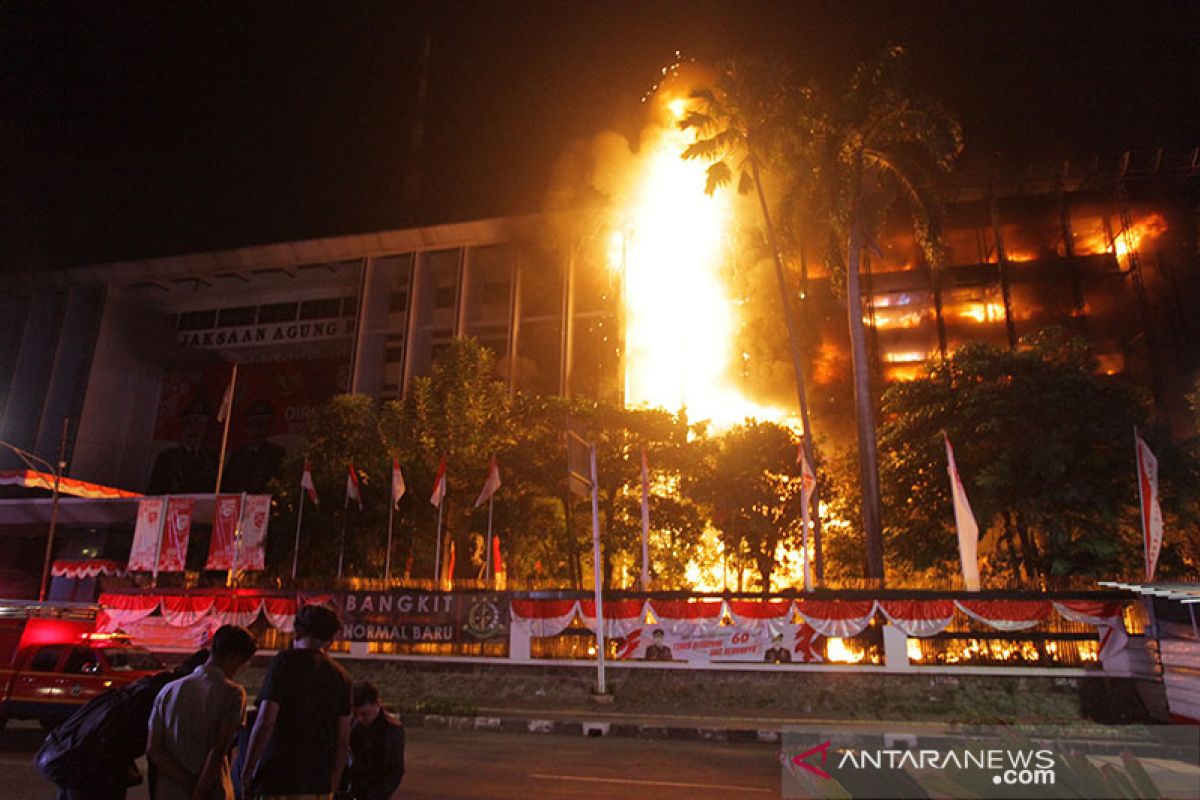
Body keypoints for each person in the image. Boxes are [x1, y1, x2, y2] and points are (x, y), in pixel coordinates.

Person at [40, 649, 210, 800]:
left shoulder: (147, 684)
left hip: (70, 760)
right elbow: (155, 750)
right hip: (90, 772)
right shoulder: (164, 695)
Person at [241, 604, 352, 800]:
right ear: (331, 640)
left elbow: (266, 721)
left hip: (278, 778)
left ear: (297, 631)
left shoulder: (284, 663)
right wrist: (332, 784)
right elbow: (343, 739)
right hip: (318, 782)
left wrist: (247, 771)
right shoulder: (341, 676)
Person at [147, 626, 257, 800]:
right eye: (242, 663)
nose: (240, 669)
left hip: (170, 792)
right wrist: (198, 791)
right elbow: (218, 751)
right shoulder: (233, 693)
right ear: (235, 657)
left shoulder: (168, 690)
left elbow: (154, 750)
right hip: (211, 793)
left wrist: (185, 782)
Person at [343, 682, 405, 800]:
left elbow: (395, 771)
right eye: (356, 714)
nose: (360, 719)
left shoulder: (391, 730)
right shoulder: (355, 726)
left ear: (377, 704)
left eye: (364, 714)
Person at [148, 396, 219, 495]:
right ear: (182, 426)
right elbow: (154, 493)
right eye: (189, 423)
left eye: (199, 423)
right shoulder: (167, 458)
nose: (194, 429)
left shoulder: (211, 459)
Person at [222, 399, 285, 494]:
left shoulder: (275, 453)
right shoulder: (237, 456)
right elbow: (227, 485)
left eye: (260, 425)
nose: (255, 430)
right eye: (251, 425)